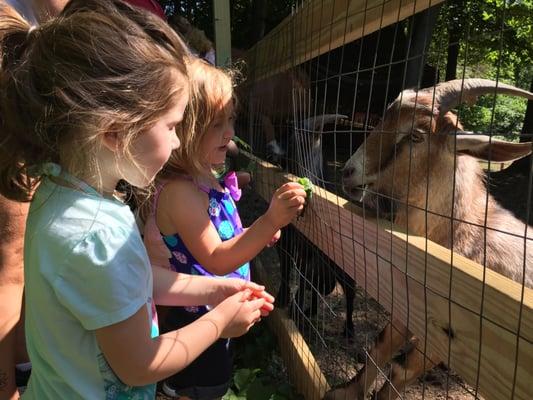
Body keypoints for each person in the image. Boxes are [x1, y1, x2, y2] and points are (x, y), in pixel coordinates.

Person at [0, 1, 273, 399]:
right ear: (116, 132)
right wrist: (221, 320)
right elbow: (139, 364)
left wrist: (211, 290)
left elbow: (135, 283)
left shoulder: (65, 193)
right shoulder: (95, 235)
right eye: (173, 126)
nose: (180, 141)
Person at [142, 58, 306, 399]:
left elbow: (220, 235)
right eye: (217, 124)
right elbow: (216, 258)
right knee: (202, 388)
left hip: (215, 313)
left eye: (230, 119)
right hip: (194, 322)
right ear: (184, 128)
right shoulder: (180, 192)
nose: (230, 132)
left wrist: (253, 235)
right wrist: (269, 221)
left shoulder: (205, 178)